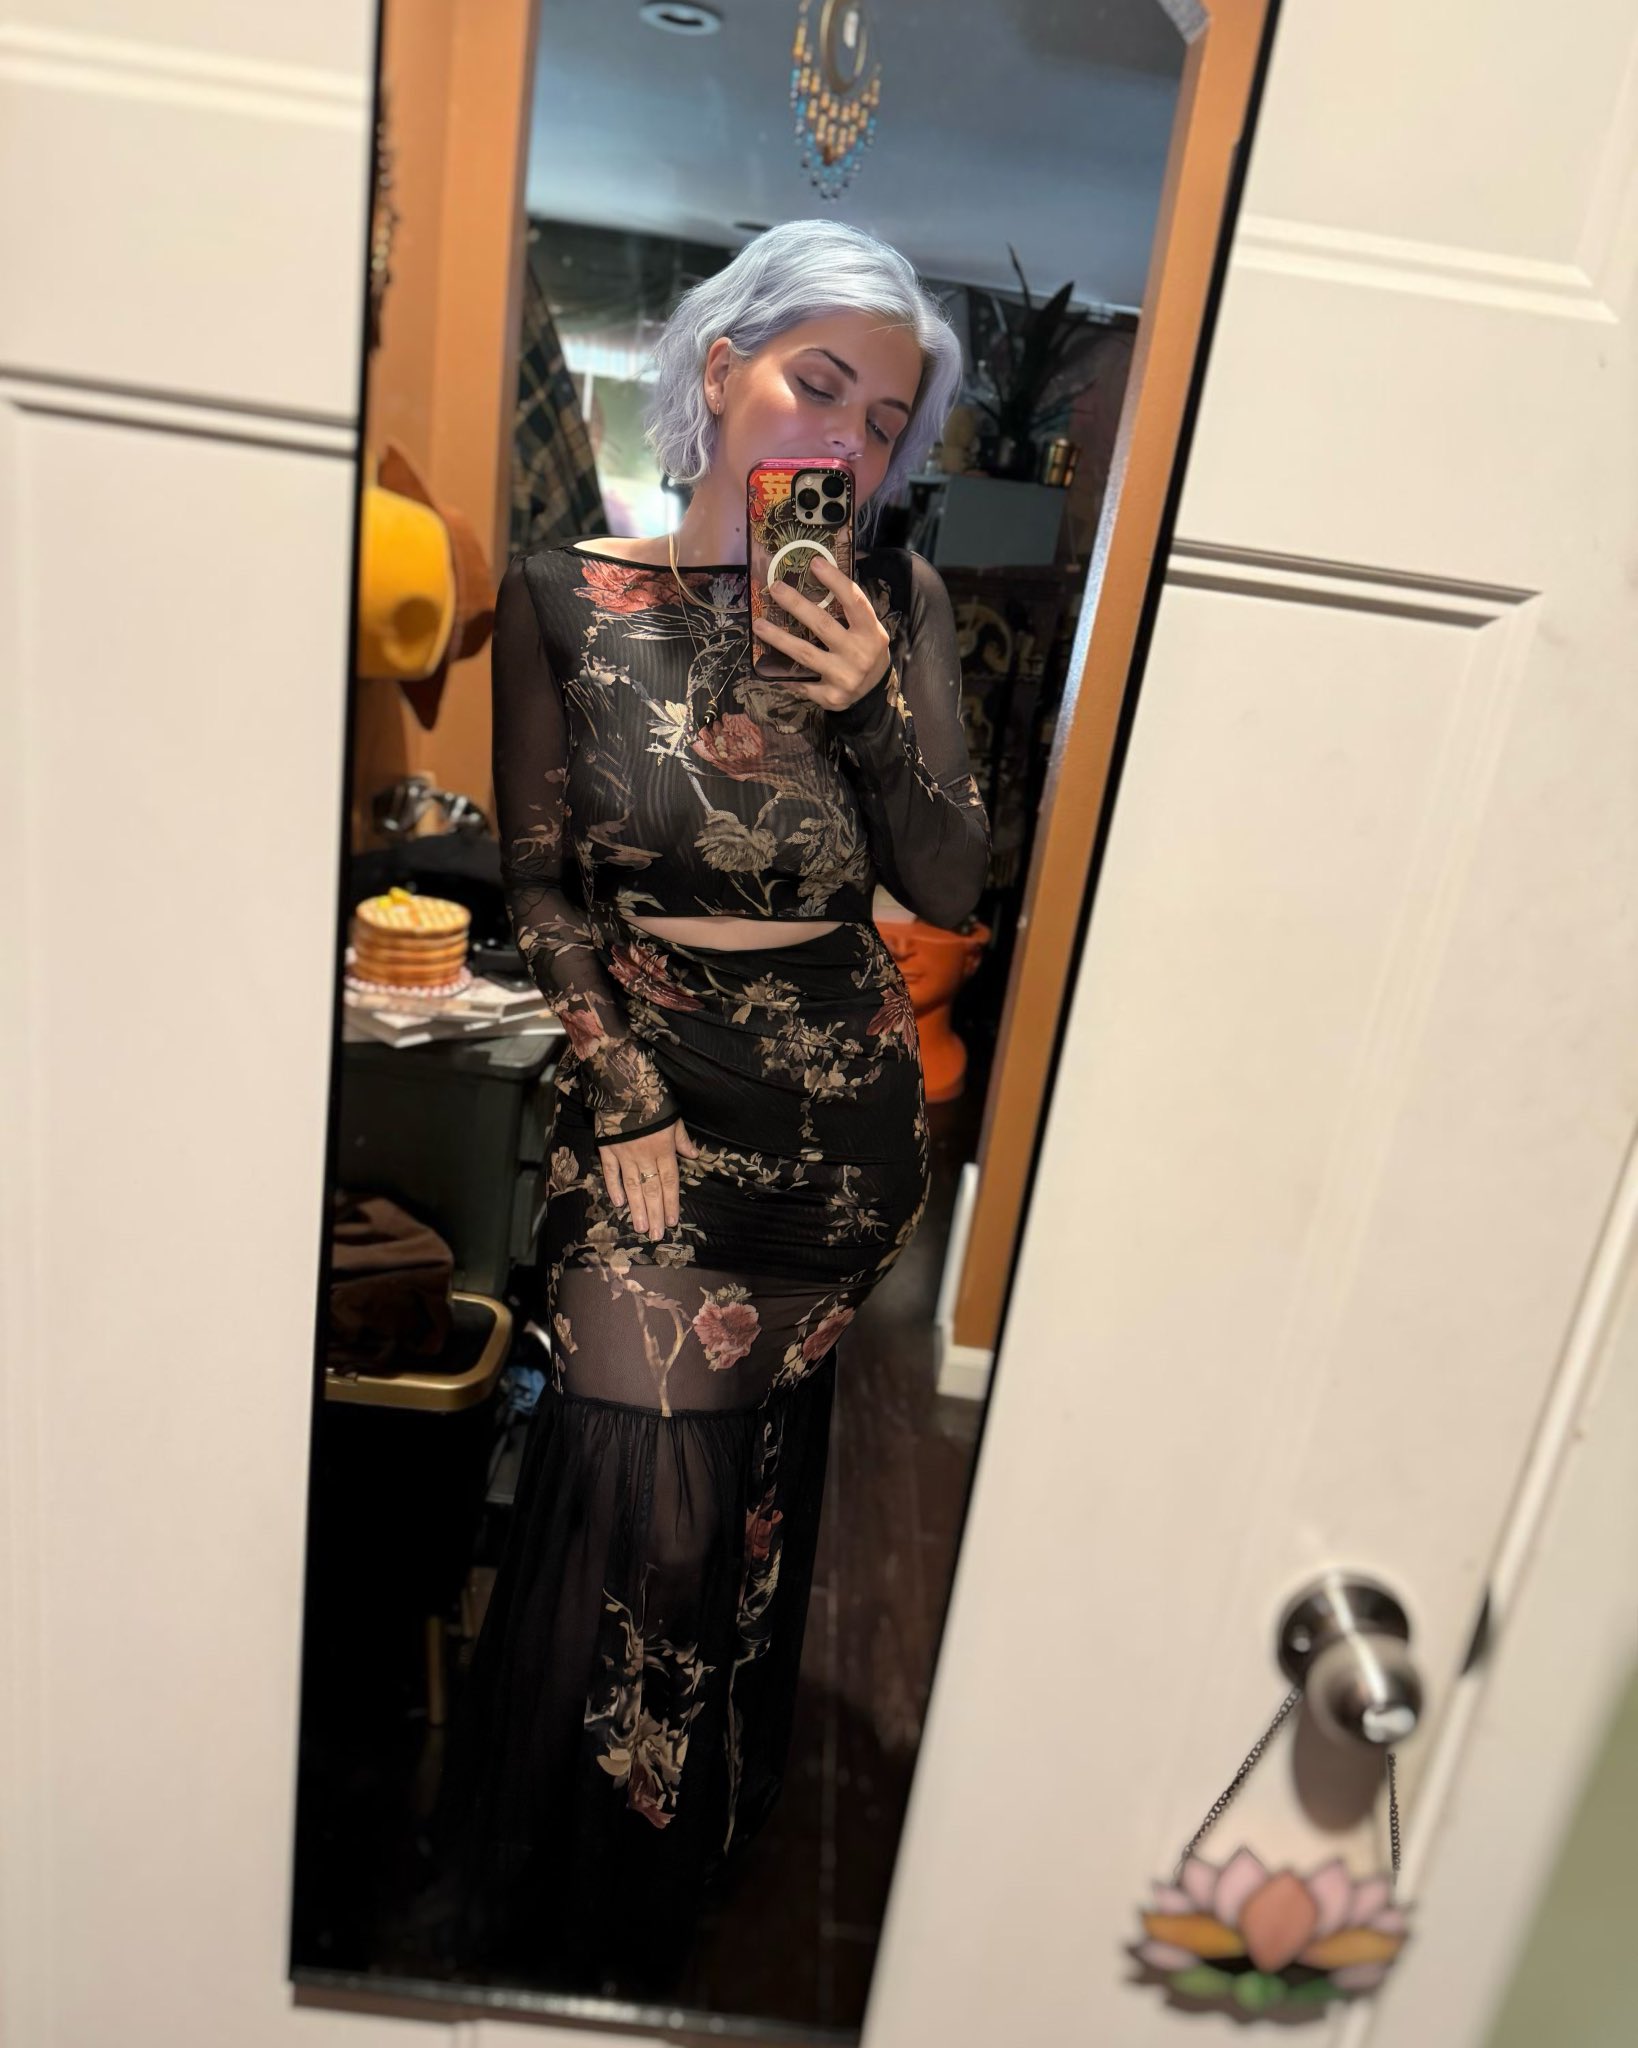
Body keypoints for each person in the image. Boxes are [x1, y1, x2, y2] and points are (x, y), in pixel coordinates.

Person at [431, 219, 991, 1996]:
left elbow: (950, 882)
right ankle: (555, 1901)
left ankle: (674, 1877)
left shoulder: (895, 608)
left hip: (835, 1128)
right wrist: (616, 1088)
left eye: (884, 423)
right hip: (652, 1098)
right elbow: (543, 885)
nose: (845, 441)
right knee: (642, 1503)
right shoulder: (561, 598)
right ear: (717, 367)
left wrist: (873, 703)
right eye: (815, 384)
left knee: (741, 1494)